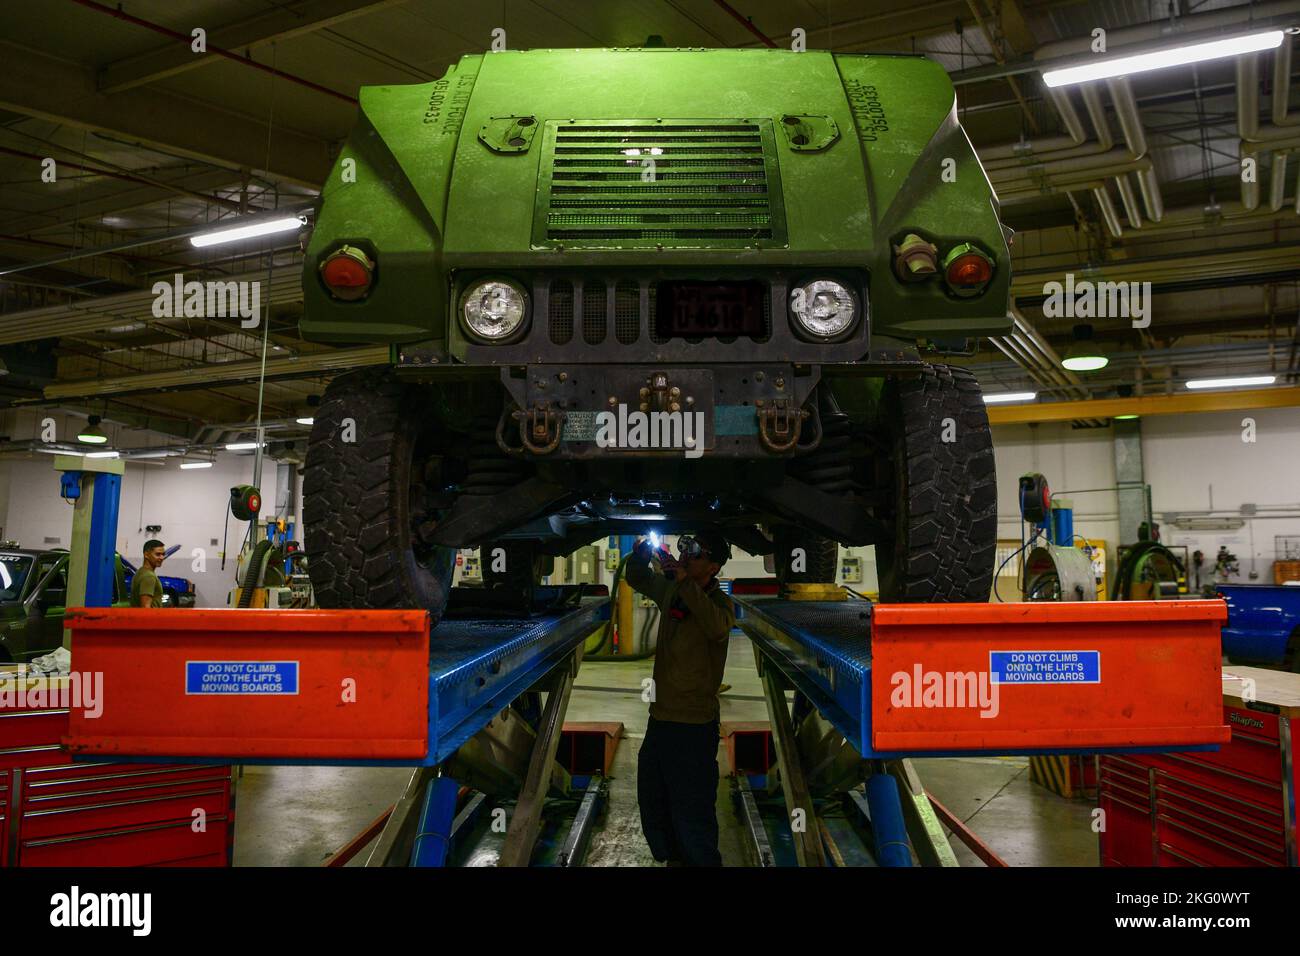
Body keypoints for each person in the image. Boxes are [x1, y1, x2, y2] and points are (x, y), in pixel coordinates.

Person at [624, 531, 736, 867]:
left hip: (694, 725)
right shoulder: (672, 589)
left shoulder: (719, 603)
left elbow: (717, 628)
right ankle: (672, 860)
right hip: (660, 720)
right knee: (654, 802)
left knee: (693, 813)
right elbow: (638, 579)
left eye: (697, 553)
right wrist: (643, 555)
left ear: (713, 567)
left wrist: (685, 581)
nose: (687, 555)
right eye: (686, 548)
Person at [131, 539, 167, 608]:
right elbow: (145, 608)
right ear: (146, 555)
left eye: (163, 554)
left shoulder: (140, 571)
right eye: (158, 554)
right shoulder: (149, 577)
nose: (162, 558)